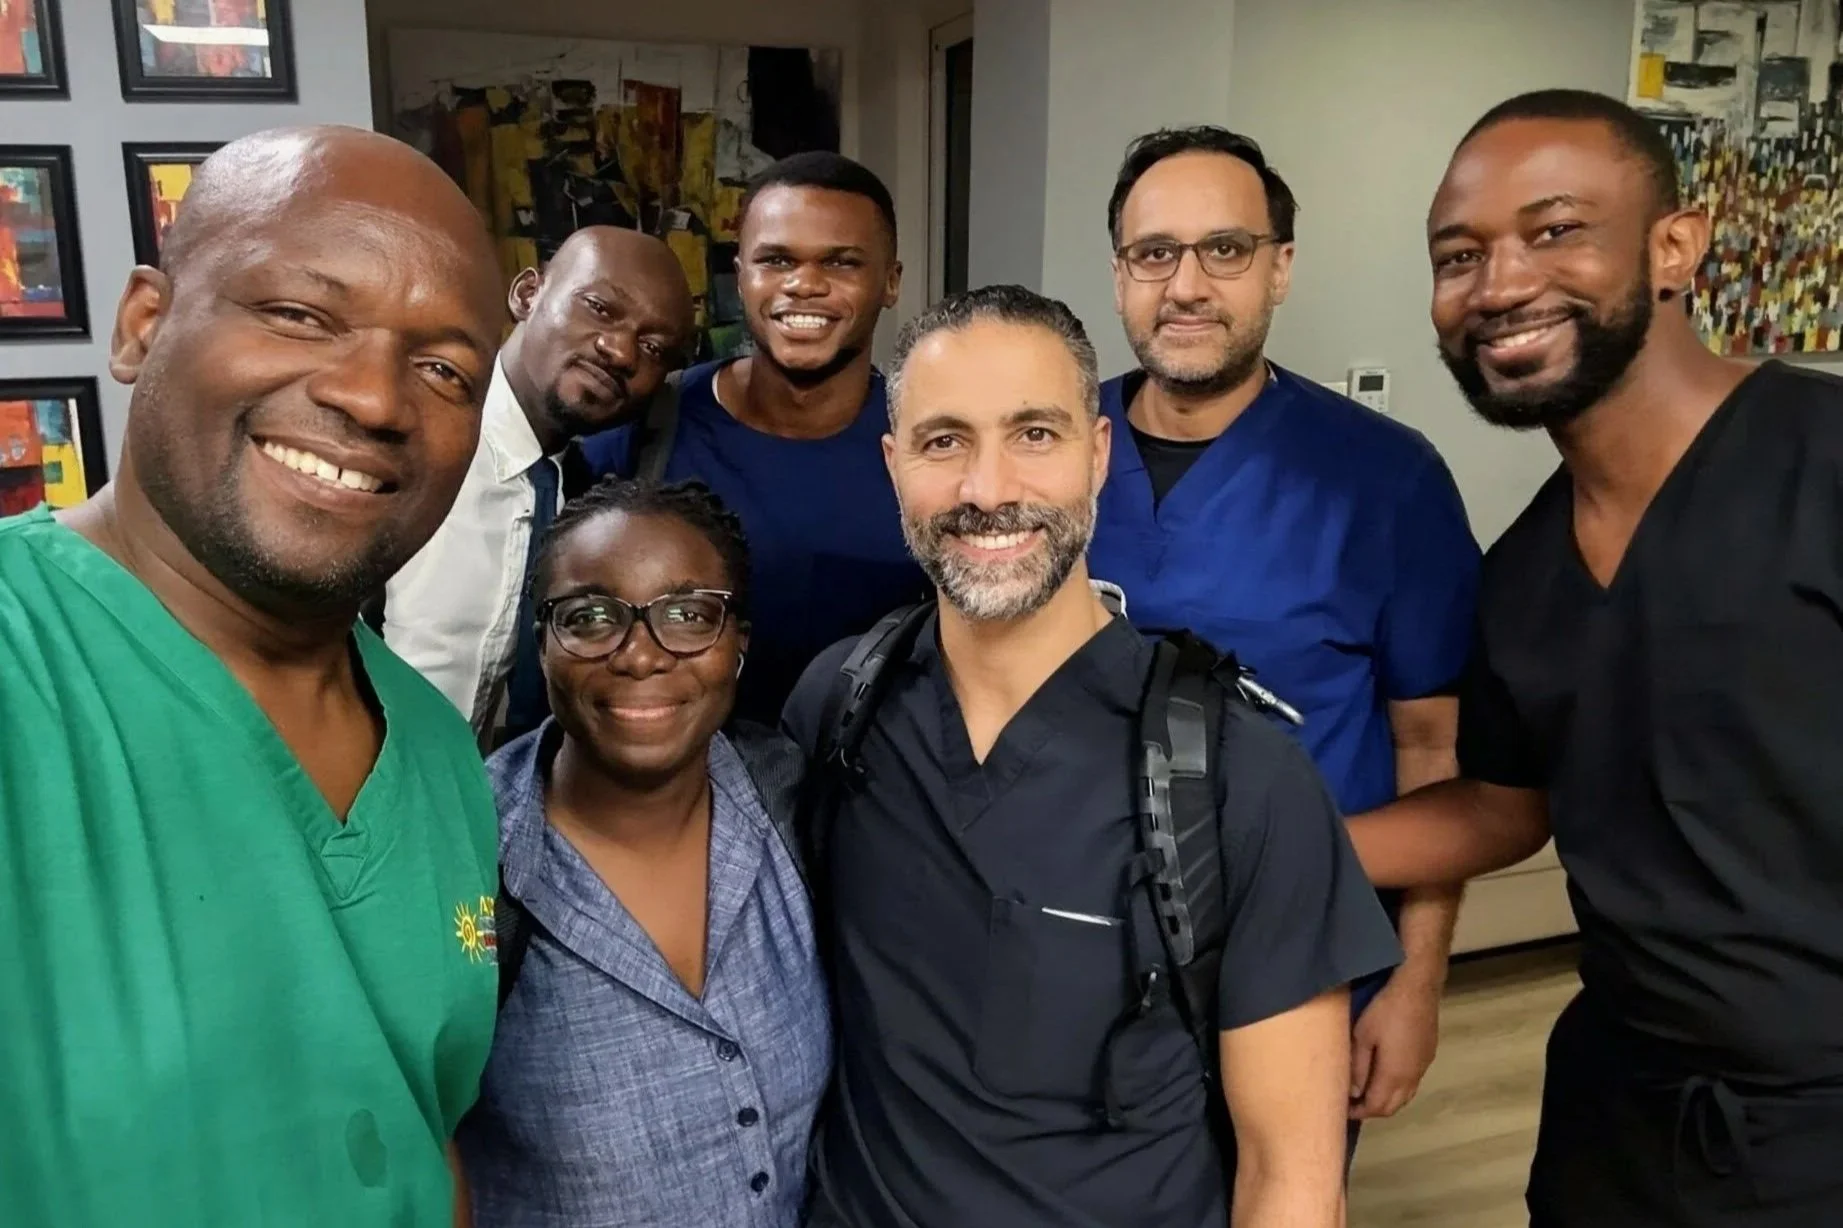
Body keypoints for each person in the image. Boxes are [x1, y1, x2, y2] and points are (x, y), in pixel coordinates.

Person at [781, 284, 1402, 1228]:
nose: (988, 491)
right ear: (892, 464)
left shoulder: (1238, 780)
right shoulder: (839, 708)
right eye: (944, 441)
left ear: (1098, 452)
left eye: (1034, 434)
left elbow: (1291, 1180)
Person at [1346, 89, 1843, 1226]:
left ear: (1674, 246)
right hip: (1616, 1118)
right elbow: (1503, 808)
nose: (1501, 283)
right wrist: (1255, 843)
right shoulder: (1523, 571)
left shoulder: (1818, 468)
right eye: (1458, 254)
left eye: (1554, 229)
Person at [0, 127, 508, 1226]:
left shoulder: (433, 744)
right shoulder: (21, 658)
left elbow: (419, 1119)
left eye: (444, 369)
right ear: (145, 325)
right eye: (300, 314)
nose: (374, 399)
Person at [1088, 126, 1480, 1141]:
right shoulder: (1046, 456)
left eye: (1224, 249)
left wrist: (1414, 981)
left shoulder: (1385, 480)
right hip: (1076, 948)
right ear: (1120, 274)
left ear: (1280, 269)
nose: (1185, 285)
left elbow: (1434, 747)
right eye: (1153, 253)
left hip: (1296, 951)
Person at [456, 477, 828, 1227]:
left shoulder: (796, 807)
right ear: (543, 646)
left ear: (737, 645)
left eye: (688, 615)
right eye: (590, 617)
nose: (639, 656)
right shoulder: (465, 855)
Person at [581, 152, 929, 727]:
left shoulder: (930, 445)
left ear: (890, 282)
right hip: (674, 788)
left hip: (870, 795)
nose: (805, 285)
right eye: (776, 259)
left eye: (841, 263)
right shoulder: (645, 426)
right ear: (740, 274)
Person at [378, 226, 695, 746]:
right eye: (599, 308)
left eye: (653, 346)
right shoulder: (412, 442)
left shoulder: (581, 499)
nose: (620, 351)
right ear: (528, 294)